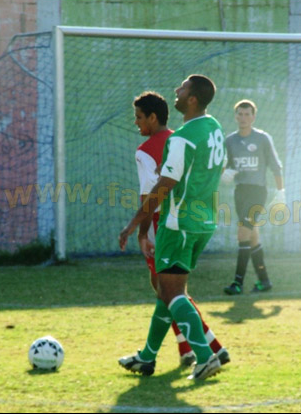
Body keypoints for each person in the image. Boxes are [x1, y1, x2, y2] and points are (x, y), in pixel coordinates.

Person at [118, 75, 226, 380]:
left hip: (178, 222)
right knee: (167, 291)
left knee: (173, 292)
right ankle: (147, 357)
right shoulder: (214, 127)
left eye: (182, 88)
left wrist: (133, 225)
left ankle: (205, 356)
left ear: (192, 99)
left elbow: (164, 186)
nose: (176, 91)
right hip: (204, 220)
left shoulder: (182, 137)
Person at [221, 99, 285, 295]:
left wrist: (280, 192)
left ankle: (237, 283)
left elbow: (276, 166)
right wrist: (223, 173)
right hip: (240, 192)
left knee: (243, 234)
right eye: (240, 114)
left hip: (257, 192)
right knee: (252, 236)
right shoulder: (230, 141)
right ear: (235, 116)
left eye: (247, 114)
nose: (243, 118)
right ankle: (264, 281)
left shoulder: (262, 138)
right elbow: (224, 165)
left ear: (253, 117)